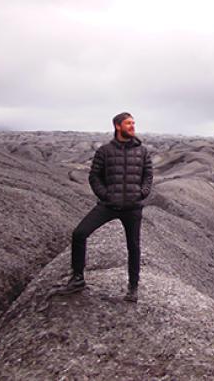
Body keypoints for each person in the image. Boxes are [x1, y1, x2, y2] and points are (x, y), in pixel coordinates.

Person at [62, 112, 153, 302]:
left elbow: (148, 175)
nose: (132, 126)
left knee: (134, 247)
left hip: (133, 208)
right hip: (109, 205)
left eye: (133, 123)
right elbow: (94, 176)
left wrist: (142, 192)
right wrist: (105, 195)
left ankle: (133, 288)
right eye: (128, 123)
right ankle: (78, 278)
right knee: (79, 233)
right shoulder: (104, 151)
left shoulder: (142, 151)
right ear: (118, 126)